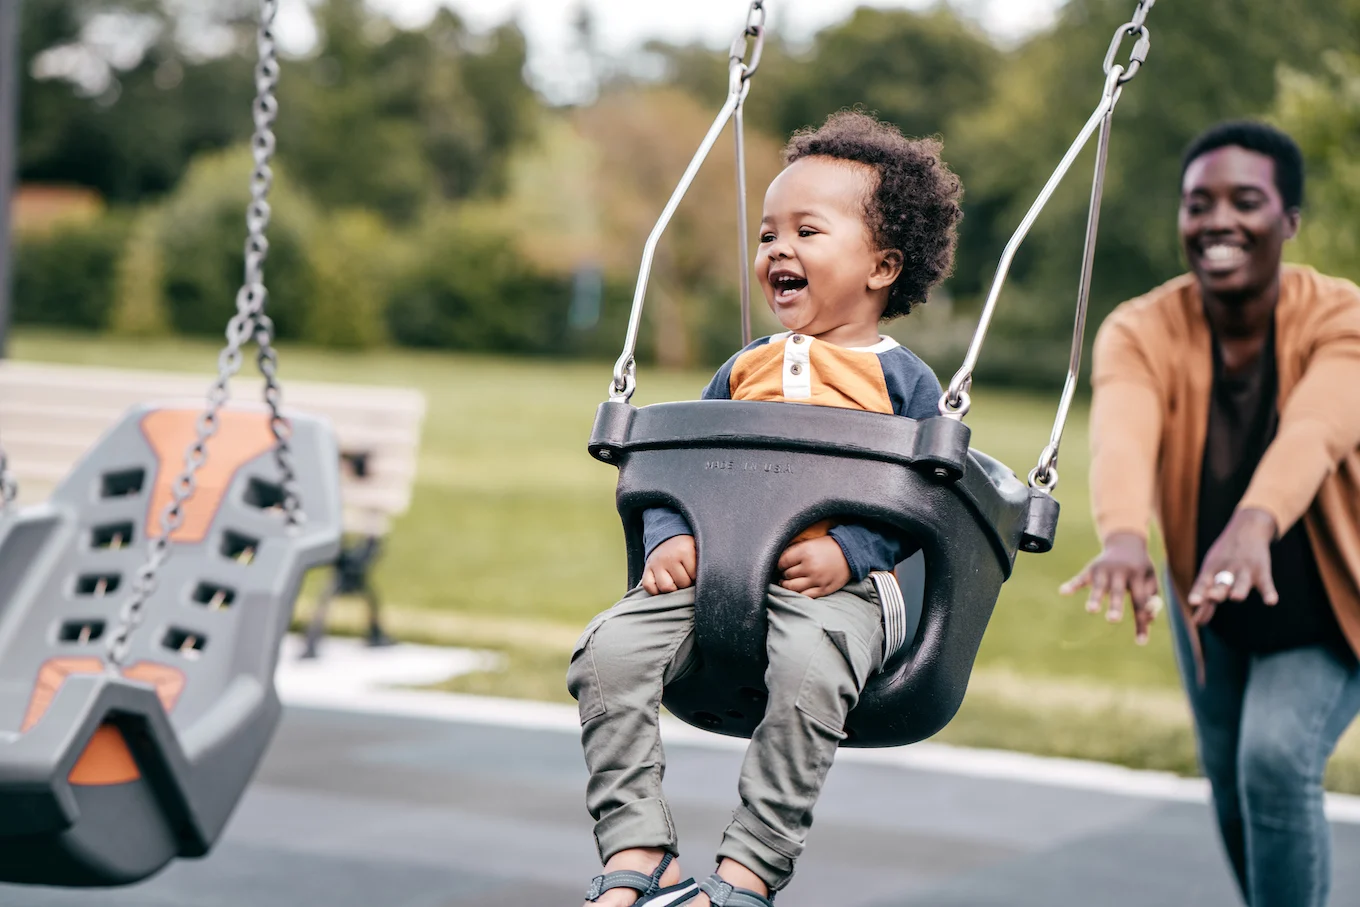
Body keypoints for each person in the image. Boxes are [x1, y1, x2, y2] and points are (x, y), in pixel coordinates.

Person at [567, 111, 963, 907]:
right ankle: (639, 852)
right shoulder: (742, 367)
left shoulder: (906, 382)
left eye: (806, 231)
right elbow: (684, 463)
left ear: (882, 265)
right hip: (717, 568)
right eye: (768, 234)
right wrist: (669, 537)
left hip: (839, 591)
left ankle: (749, 869)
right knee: (604, 653)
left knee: (811, 675)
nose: (777, 249)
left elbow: (923, 498)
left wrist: (850, 549)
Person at [1063, 120, 1360, 906]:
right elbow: (1122, 435)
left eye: (1245, 200)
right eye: (1198, 203)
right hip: (1213, 596)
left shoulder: (1343, 317)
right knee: (1231, 786)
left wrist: (1257, 520)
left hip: (1332, 600)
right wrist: (1125, 534)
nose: (1218, 219)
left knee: (1271, 759)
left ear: (1289, 219)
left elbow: (1318, 429)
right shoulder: (1140, 328)